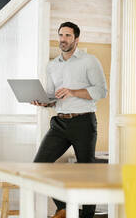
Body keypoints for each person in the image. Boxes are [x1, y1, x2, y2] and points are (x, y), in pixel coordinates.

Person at [31, 22, 107, 218]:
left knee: (87, 172)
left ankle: (87, 215)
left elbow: (101, 92)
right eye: (60, 35)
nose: (63, 39)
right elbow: (53, 97)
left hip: (84, 123)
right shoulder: (52, 65)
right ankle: (63, 206)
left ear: (76, 39)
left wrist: (72, 92)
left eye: (67, 35)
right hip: (59, 123)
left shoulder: (89, 61)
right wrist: (43, 102)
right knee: (39, 166)